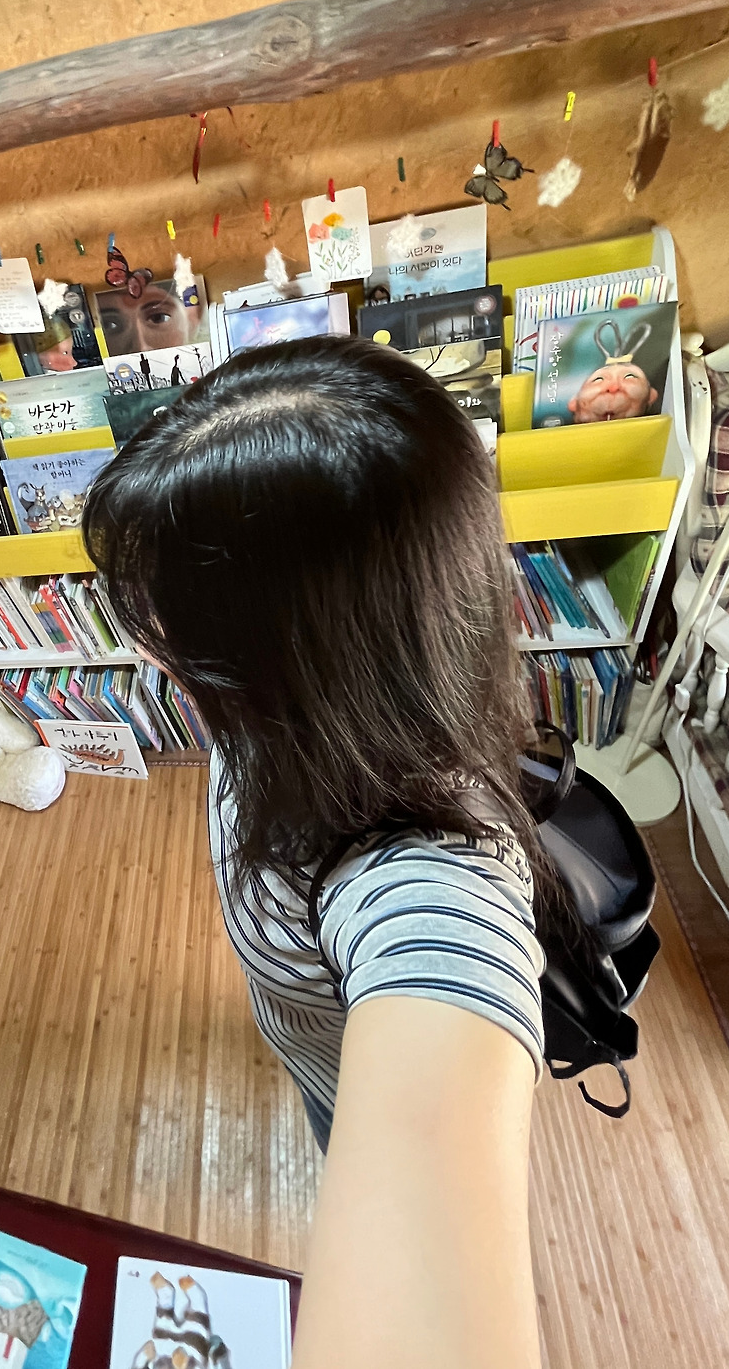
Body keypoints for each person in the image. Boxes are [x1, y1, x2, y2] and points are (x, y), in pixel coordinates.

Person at [83, 336, 546, 1369]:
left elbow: (439, 991)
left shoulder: (422, 874)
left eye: (171, 614)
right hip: (306, 1035)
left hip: (342, 1077)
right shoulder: (304, 711)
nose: (147, 645)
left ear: (281, 642)